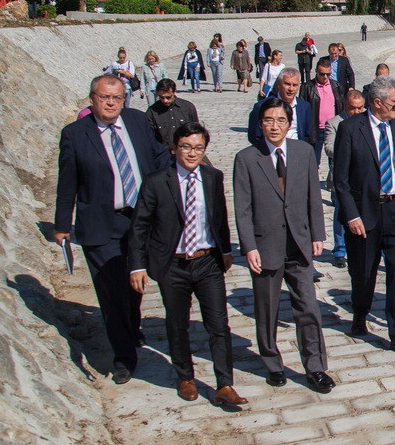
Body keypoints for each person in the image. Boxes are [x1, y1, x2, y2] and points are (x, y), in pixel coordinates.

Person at [54, 75, 171, 383]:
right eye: (104, 97)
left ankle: (132, 326)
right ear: (92, 98)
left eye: (116, 98)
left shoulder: (136, 121)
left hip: (139, 221)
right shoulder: (75, 134)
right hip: (101, 225)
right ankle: (124, 356)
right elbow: (66, 182)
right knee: (111, 292)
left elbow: (158, 158)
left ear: (124, 100)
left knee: (134, 284)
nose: (110, 103)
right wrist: (62, 223)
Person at [127, 122, 247, 408]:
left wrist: (226, 251)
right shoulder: (157, 181)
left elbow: (219, 217)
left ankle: (224, 383)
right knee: (177, 324)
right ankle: (185, 376)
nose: (192, 153)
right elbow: (140, 226)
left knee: (218, 324)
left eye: (198, 148)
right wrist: (137, 266)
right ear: (174, 148)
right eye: (186, 147)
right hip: (173, 264)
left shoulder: (212, 176)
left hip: (207, 262)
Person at [233, 99, 333, 393]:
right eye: (268, 120)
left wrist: (318, 234)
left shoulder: (303, 153)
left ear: (289, 123)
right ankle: (272, 362)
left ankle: (315, 366)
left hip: (299, 244)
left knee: (308, 308)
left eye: (280, 120)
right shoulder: (247, 158)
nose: (274, 125)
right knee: (268, 309)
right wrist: (249, 246)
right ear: (260, 123)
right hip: (265, 247)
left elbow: (313, 196)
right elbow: (243, 208)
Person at [332, 76, 395, 357]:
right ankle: (360, 314)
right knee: (363, 272)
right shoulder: (349, 128)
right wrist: (351, 215)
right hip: (364, 214)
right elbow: (341, 179)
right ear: (378, 102)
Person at [324, 90, 365, 268]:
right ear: (345, 106)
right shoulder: (333, 123)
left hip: (364, 178)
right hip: (342, 178)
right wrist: (351, 150)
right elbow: (329, 148)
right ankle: (340, 250)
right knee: (342, 213)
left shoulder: (368, 122)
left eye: (360, 108)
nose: (357, 112)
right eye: (353, 108)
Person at [247, 69, 315, 147]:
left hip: (296, 152)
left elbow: (307, 133)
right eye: (287, 84)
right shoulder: (262, 106)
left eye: (295, 85)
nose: (291, 89)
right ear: (279, 84)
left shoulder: (304, 106)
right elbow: (254, 136)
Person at [304, 58, 344, 163]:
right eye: (322, 74)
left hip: (333, 128)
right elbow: (303, 109)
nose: (325, 77)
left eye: (328, 74)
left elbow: (341, 105)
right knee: (313, 160)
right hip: (316, 129)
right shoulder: (308, 86)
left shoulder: (336, 85)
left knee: (335, 160)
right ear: (316, 71)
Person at [146, 79, 200, 149]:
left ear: (174, 92)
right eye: (162, 97)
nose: (165, 100)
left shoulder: (188, 107)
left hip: (186, 151)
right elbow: (149, 137)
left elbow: (196, 132)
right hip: (164, 154)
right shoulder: (152, 111)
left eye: (168, 97)